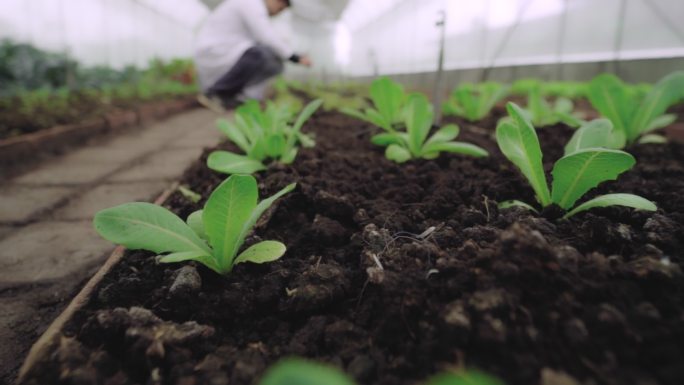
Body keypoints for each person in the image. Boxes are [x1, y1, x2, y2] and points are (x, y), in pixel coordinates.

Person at [194, 0, 312, 112]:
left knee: (275, 63)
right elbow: (266, 36)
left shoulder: (255, 6)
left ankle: (235, 95)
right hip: (214, 52)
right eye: (280, 9)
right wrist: (295, 57)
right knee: (261, 55)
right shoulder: (251, 3)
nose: (277, 13)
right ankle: (216, 93)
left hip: (228, 52)